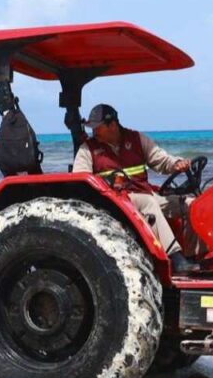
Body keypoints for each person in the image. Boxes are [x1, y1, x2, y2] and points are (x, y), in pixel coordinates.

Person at [71, 104, 196, 270]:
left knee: (191, 205)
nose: (93, 132)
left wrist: (177, 164)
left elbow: (161, 161)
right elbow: (80, 180)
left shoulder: (137, 139)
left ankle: (195, 257)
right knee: (148, 203)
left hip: (144, 194)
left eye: (97, 127)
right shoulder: (88, 149)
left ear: (112, 125)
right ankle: (175, 257)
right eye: (92, 128)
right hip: (115, 202)